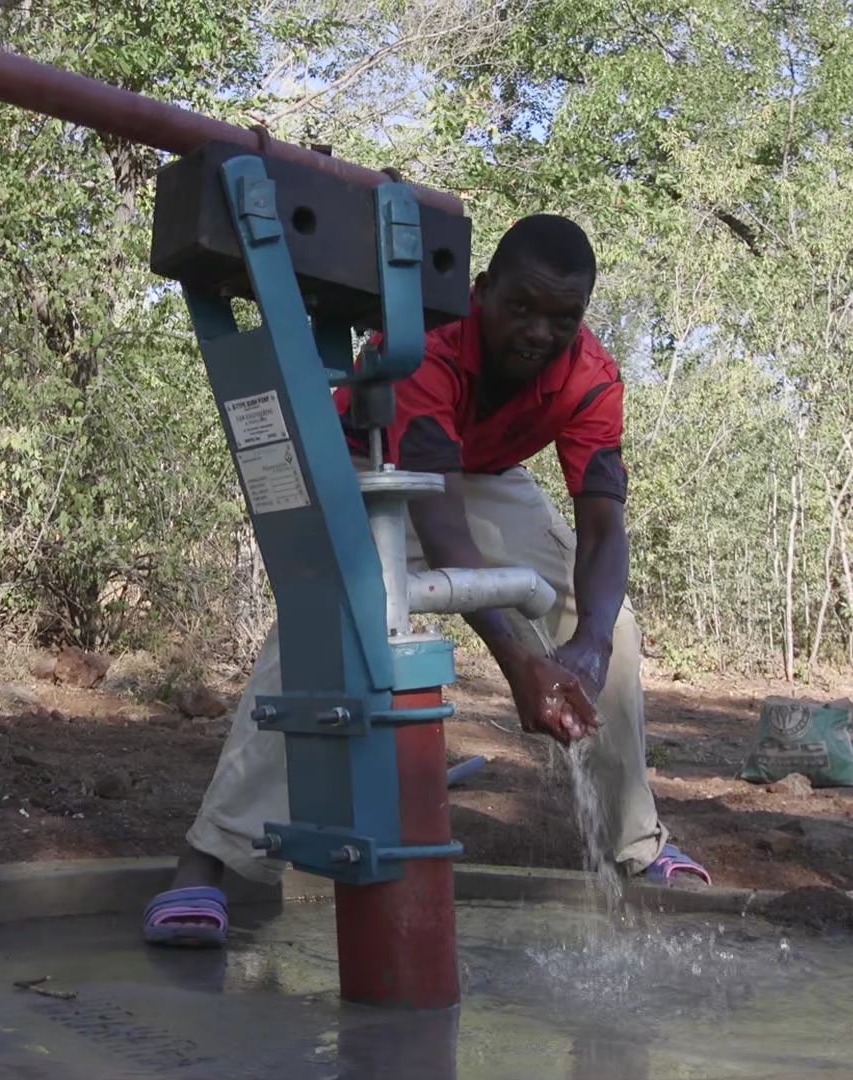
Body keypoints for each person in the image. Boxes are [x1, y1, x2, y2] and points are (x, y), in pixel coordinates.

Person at [143, 214, 709, 947]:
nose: (539, 333)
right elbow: (441, 528)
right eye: (521, 309)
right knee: (329, 620)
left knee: (613, 623)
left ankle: (638, 845)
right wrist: (519, 663)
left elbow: (602, 527)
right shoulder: (429, 346)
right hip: (369, 463)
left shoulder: (592, 377)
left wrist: (590, 643)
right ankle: (208, 861)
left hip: (481, 473)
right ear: (483, 292)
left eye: (562, 318)